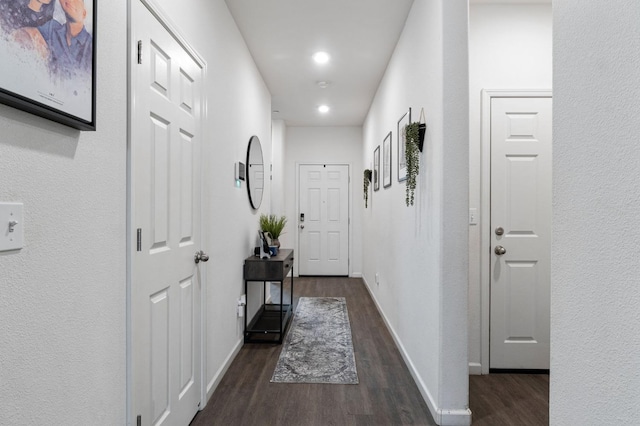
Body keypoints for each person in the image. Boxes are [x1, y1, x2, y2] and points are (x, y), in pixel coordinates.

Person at [37, 0, 91, 78]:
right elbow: (25, 33)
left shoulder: (91, 45)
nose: (71, 1)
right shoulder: (52, 28)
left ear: (84, 13)